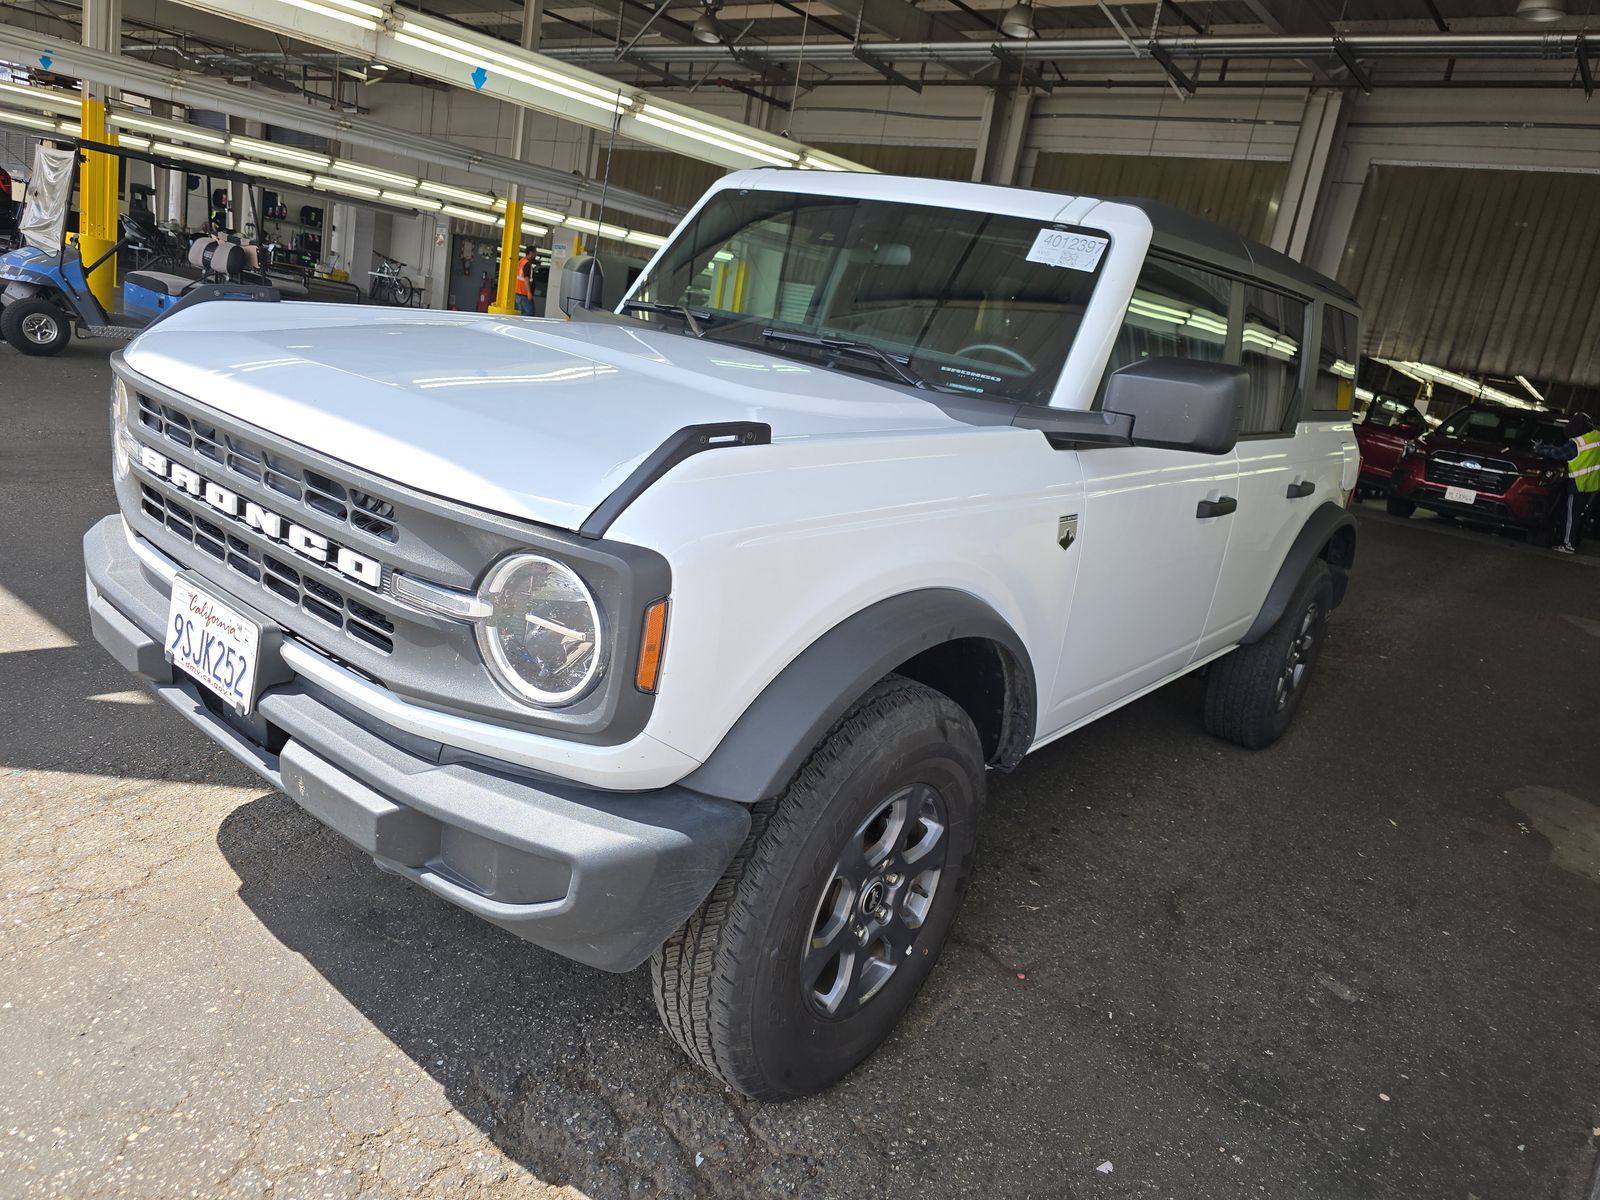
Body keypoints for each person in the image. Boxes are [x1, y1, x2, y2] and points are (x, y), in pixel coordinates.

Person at [1537, 412, 1600, 554]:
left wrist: (1540, 449)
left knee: (1572, 515)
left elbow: (1558, 454)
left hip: (1579, 484)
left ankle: (1568, 545)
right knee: (1579, 515)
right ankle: (1574, 540)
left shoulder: (1577, 443)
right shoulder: (1597, 436)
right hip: (1593, 484)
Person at [514, 246, 535, 316]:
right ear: (531, 253)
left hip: (518, 292)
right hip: (524, 293)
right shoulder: (526, 264)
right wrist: (529, 292)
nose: (536, 255)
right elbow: (526, 278)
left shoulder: (521, 261)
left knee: (522, 313)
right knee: (530, 313)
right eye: (535, 252)